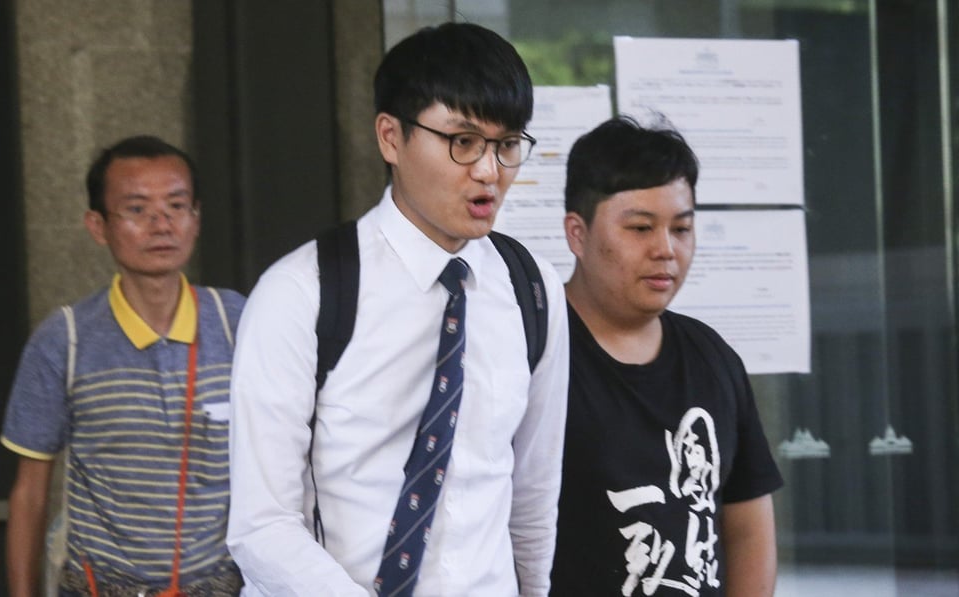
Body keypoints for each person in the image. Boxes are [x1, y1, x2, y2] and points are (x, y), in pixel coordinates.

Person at [226, 22, 569, 597]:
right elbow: (261, 526)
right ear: (391, 137)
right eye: (462, 141)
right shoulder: (303, 292)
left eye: (507, 144)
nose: (489, 170)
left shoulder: (533, 291)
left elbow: (533, 494)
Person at [1, 135, 246, 597]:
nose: (161, 224)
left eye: (177, 205)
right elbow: (30, 493)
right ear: (98, 226)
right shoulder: (65, 340)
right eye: (137, 209)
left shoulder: (239, 322)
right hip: (99, 587)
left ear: (196, 217)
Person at [550, 116, 783, 597]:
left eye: (681, 228)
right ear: (578, 233)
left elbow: (746, 527)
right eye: (640, 228)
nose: (665, 250)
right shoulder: (534, 353)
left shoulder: (713, 358)